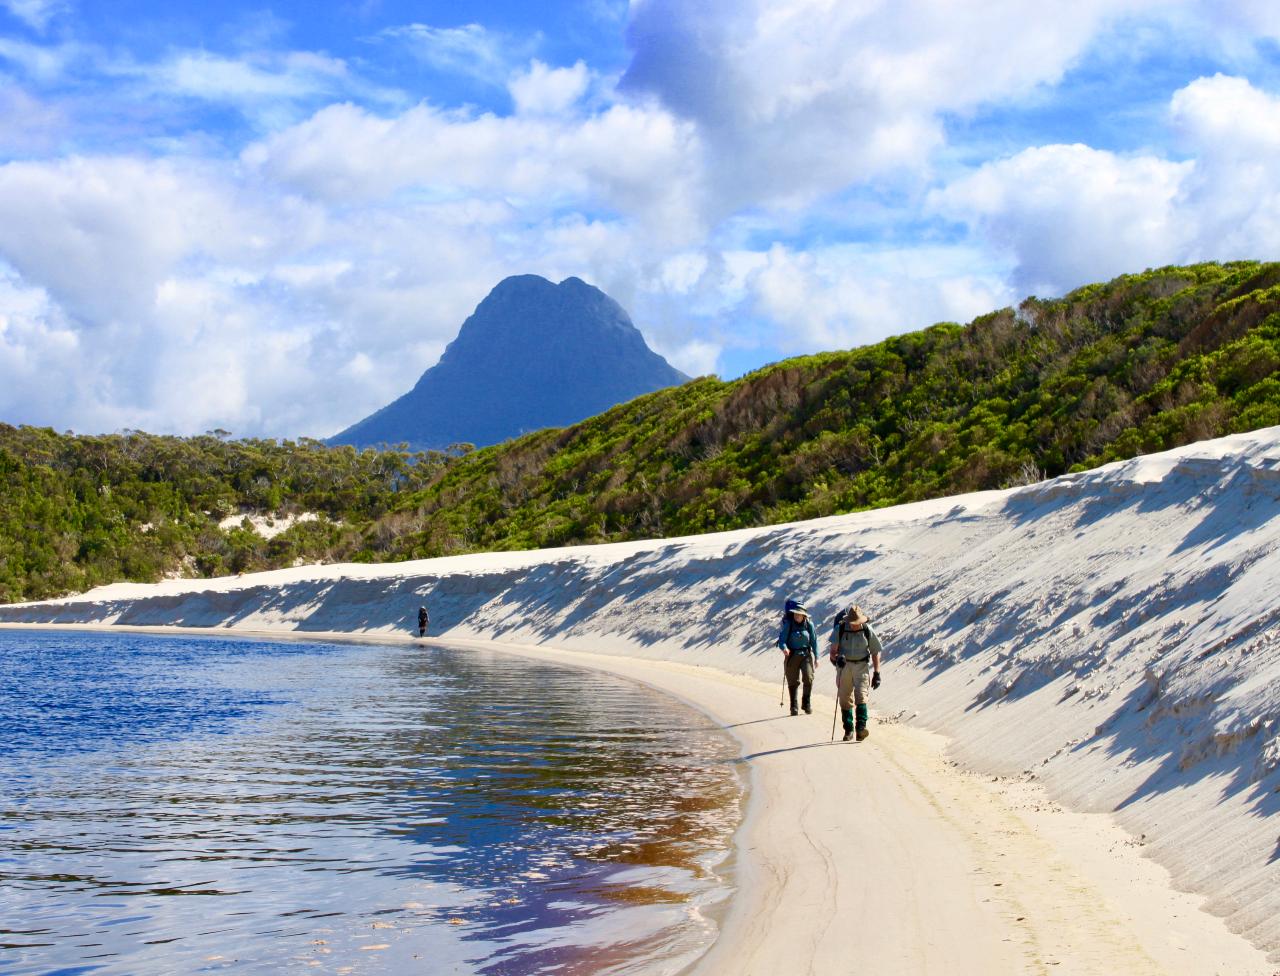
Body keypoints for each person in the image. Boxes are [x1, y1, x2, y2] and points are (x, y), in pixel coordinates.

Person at [828, 604, 883, 741]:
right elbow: (832, 652)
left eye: (856, 623)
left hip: (862, 666)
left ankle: (860, 729)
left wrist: (877, 673)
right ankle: (848, 730)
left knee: (862, 697)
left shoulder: (867, 630)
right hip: (844, 667)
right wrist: (837, 658)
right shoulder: (840, 629)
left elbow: (876, 651)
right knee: (845, 698)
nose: (854, 625)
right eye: (852, 623)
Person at [777, 603, 819, 715]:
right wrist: (784, 648)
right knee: (793, 681)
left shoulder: (809, 625)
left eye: (799, 614)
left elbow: (814, 642)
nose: (797, 616)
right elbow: (782, 641)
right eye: (795, 614)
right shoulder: (789, 625)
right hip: (792, 655)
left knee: (809, 677)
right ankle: (793, 706)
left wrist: (817, 657)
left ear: (804, 616)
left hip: (806, 655)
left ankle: (806, 704)